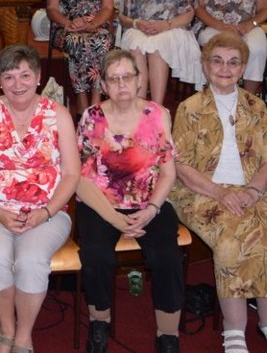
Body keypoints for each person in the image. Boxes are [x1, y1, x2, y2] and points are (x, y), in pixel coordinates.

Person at [170, 32, 267, 353]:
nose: (225, 68)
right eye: (217, 60)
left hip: (251, 189)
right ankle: (234, 329)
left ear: (242, 69)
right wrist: (220, 193)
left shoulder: (256, 107)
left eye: (233, 62)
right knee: (231, 241)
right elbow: (181, 166)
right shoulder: (189, 108)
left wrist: (253, 192)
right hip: (199, 191)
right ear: (205, 65)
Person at [0, 45, 80, 353]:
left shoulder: (58, 115)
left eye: (25, 75)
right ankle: (6, 329)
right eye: (9, 76)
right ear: (0, 81)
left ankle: (24, 335)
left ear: (39, 77)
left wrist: (46, 211)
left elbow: (71, 175)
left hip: (48, 211)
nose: (18, 84)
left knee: (30, 262)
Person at [76, 50, 184, 353]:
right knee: (96, 254)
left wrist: (150, 211)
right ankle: (100, 321)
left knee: (166, 256)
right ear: (105, 85)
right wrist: (115, 218)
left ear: (139, 80)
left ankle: (167, 333)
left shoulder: (158, 115)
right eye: (114, 79)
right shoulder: (92, 118)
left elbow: (168, 173)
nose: (122, 84)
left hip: (149, 203)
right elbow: (79, 178)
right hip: (101, 204)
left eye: (128, 77)